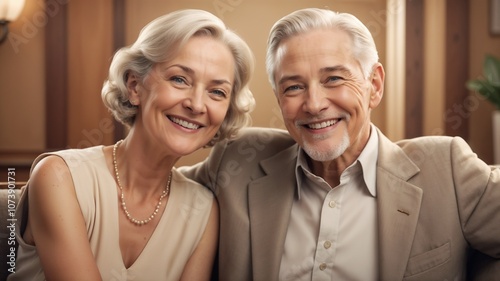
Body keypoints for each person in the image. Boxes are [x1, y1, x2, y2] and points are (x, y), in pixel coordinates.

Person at [179, 7, 500, 281]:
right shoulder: (239, 160)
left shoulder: (446, 169)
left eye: (333, 79)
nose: (314, 104)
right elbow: (153, 195)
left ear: (373, 85)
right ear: (278, 99)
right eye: (293, 87)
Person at [8, 9, 255, 281]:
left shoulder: (203, 210)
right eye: (179, 79)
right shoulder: (59, 176)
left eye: (216, 92)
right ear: (135, 86)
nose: (196, 104)